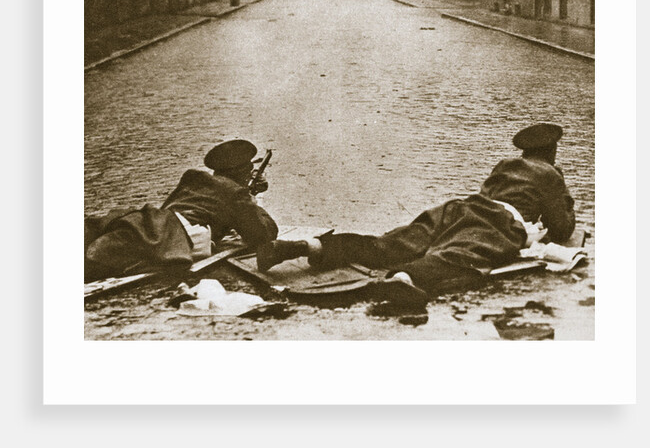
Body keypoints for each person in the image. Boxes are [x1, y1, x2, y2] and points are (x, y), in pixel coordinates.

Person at [256, 123, 576, 310]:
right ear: (552, 152)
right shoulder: (549, 172)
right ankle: (402, 280)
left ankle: (301, 247)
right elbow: (562, 229)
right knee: (455, 255)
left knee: (391, 243)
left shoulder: (506, 165)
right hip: (498, 222)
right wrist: (563, 197)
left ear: (523, 152)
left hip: (460, 207)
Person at [85, 139, 278, 282]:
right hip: (173, 238)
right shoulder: (236, 193)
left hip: (148, 221)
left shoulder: (194, 178)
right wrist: (252, 199)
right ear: (244, 172)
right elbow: (262, 234)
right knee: (104, 262)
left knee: (100, 250)